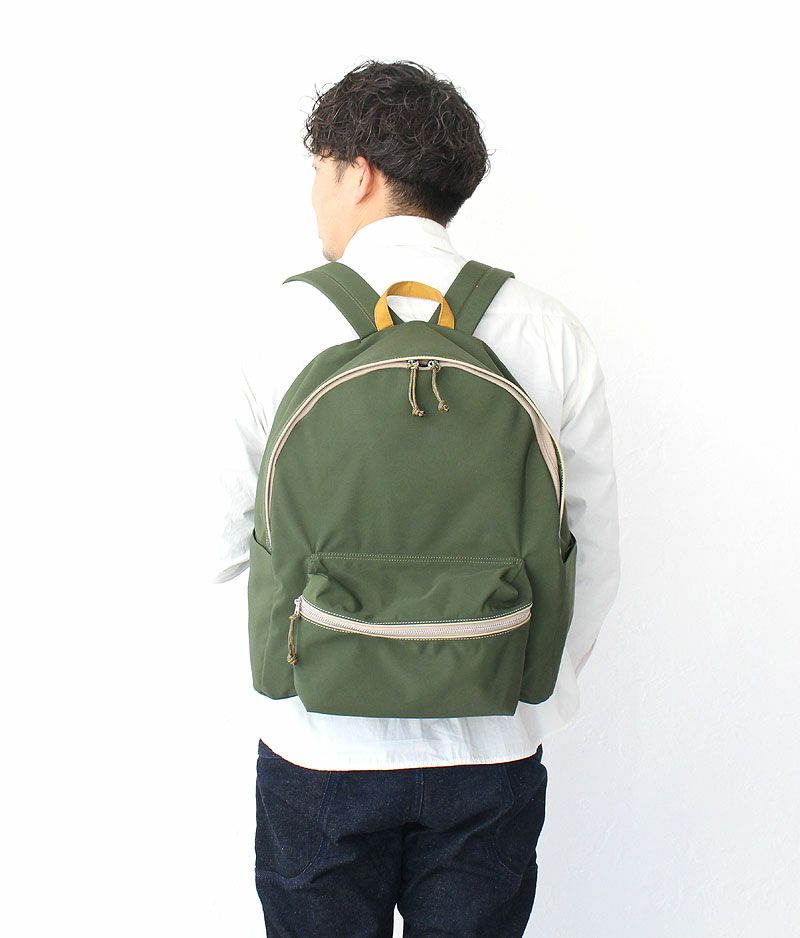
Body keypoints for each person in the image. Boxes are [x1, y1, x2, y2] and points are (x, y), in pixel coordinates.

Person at [213, 59, 621, 938]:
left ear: (357, 172)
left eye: (320, 170)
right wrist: (519, 683)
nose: (315, 195)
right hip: (491, 750)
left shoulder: (274, 327)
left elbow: (211, 547)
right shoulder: (547, 329)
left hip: (317, 748)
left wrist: (290, 678)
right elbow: (593, 553)